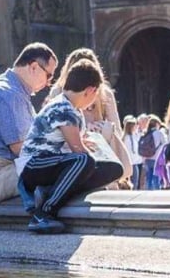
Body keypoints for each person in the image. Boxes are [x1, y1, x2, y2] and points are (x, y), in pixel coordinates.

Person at [19, 59, 126, 233]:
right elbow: (78, 151)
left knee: (114, 169)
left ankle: (50, 190)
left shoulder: (73, 108)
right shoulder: (63, 109)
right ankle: (44, 212)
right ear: (90, 91)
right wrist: (87, 149)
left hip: (54, 165)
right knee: (85, 161)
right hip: (34, 166)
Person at [0, 42, 58, 206]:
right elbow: (20, 148)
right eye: (49, 76)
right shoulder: (9, 93)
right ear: (34, 67)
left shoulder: (14, 89)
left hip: (4, 169)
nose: (48, 83)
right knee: (68, 169)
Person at [44, 49, 131, 189]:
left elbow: (116, 130)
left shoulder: (104, 93)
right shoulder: (58, 92)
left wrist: (102, 129)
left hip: (99, 147)